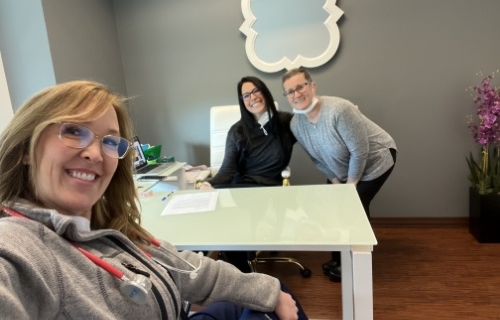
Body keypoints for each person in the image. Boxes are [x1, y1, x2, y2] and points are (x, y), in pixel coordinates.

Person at [0, 80, 308, 320]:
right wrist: (209, 184)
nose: (94, 153)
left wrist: (268, 289)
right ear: (26, 148)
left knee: (274, 291)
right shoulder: (19, 249)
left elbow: (183, 267)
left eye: (109, 141)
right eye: (72, 131)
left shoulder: (108, 231)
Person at [282, 67, 397, 283]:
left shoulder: (339, 110)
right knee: (331, 205)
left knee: (354, 207)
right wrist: (336, 182)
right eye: (290, 91)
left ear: (312, 86)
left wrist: (351, 184)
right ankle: (339, 258)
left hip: (376, 158)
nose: (296, 94)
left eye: (300, 87)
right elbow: (317, 158)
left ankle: (356, 266)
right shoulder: (297, 125)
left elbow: (360, 151)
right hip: (343, 168)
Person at [199, 76, 296, 274]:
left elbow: (315, 132)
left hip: (271, 189)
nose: (252, 97)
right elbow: (227, 171)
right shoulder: (237, 131)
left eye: (255, 91)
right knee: (217, 216)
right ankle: (237, 270)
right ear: (242, 101)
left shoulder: (287, 123)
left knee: (235, 223)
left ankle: (241, 272)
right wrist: (207, 184)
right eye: (246, 95)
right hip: (241, 188)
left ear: (265, 92)